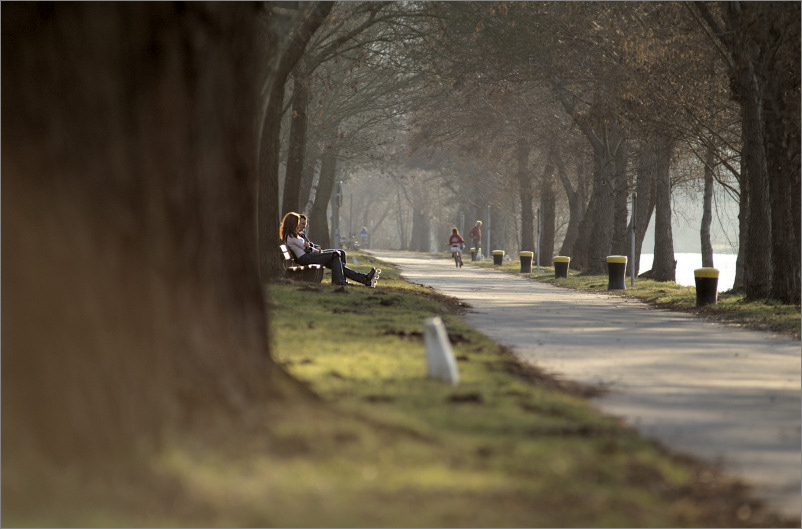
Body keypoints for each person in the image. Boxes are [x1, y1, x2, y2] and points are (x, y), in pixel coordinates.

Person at [281, 212, 379, 287]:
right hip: (305, 258)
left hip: (308, 256)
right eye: (297, 222)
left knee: (340, 253)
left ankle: (361, 279)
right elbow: (305, 246)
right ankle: (340, 281)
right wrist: (310, 247)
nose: (299, 225)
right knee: (335, 254)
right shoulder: (291, 236)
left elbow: (307, 245)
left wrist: (309, 246)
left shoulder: (296, 235)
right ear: (293, 223)